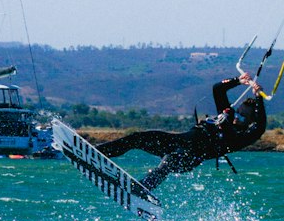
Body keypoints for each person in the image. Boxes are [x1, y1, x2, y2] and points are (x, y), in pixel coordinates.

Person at [97, 73, 267, 191]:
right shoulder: (228, 116)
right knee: (138, 137)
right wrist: (238, 80)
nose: (237, 117)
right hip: (177, 142)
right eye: (237, 112)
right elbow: (217, 89)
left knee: (170, 160)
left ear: (248, 122)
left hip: (189, 158)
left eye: (242, 117)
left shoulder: (244, 137)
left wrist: (259, 97)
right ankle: (98, 153)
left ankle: (143, 188)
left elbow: (260, 127)